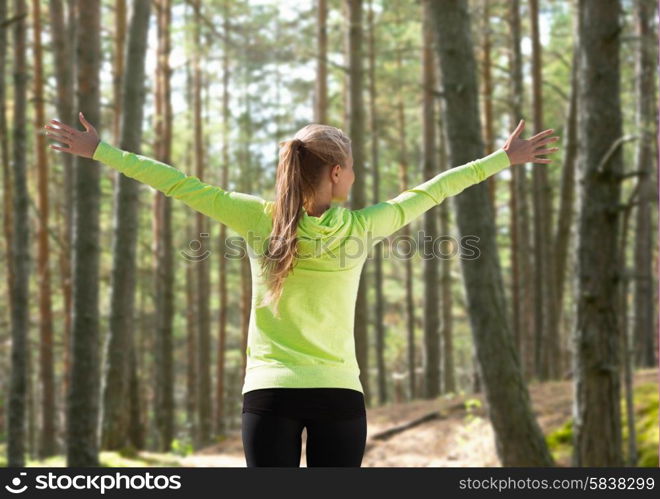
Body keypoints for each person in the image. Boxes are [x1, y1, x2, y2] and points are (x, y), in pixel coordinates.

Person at [44, 112, 559, 467]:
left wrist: (101, 151)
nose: (353, 177)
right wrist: (502, 159)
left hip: (268, 393)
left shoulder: (254, 217)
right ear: (336, 173)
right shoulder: (362, 227)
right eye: (351, 169)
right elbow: (436, 189)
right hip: (339, 392)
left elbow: (178, 183)